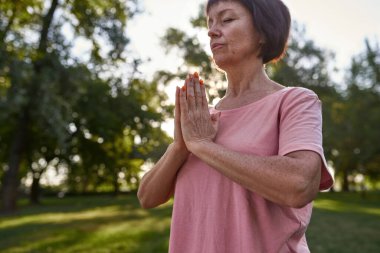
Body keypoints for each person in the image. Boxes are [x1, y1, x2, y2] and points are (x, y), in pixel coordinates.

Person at [137, 0, 334, 252]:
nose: (211, 31)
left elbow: (300, 184)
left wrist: (202, 146)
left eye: (227, 20)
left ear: (262, 32)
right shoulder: (200, 121)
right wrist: (180, 146)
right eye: (210, 23)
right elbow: (147, 197)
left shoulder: (295, 101)